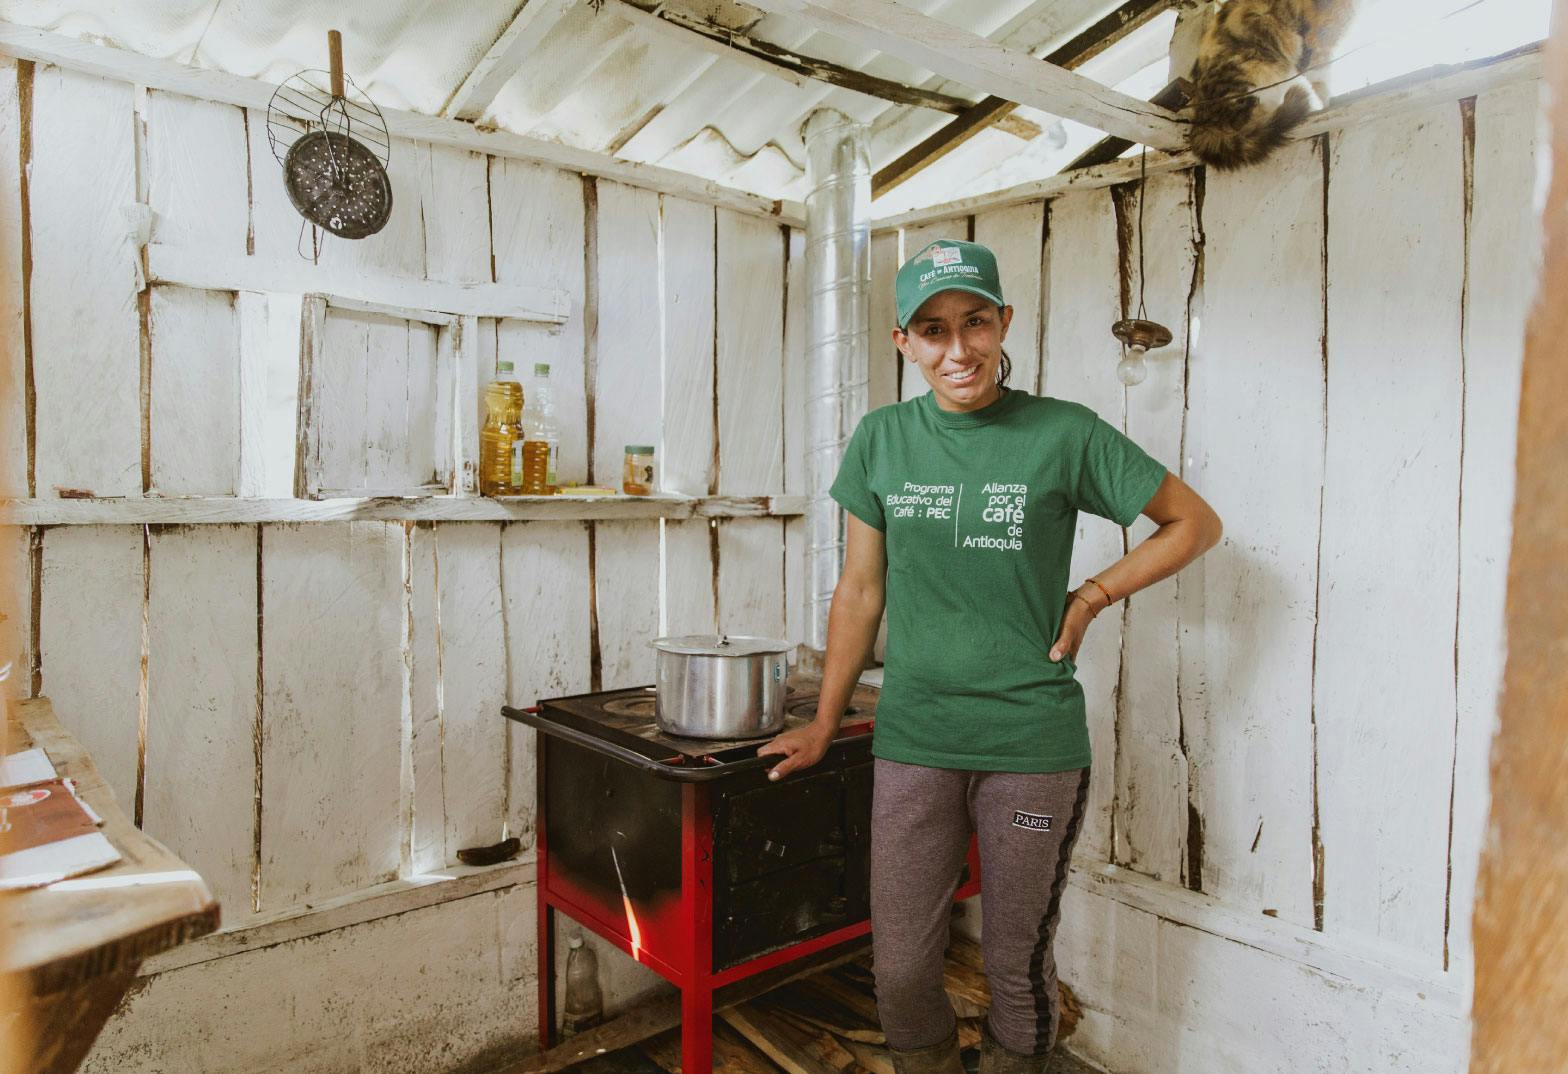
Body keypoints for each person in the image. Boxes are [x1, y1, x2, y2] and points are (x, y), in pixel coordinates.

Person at [757, 239, 1222, 1074]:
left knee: (1014, 965)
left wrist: (1092, 596)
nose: (958, 349)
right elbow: (860, 589)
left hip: (1031, 745)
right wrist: (824, 723)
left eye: (974, 322)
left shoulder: (1062, 433)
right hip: (915, 738)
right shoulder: (883, 439)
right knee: (901, 967)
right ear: (904, 342)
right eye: (932, 331)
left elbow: (1194, 522)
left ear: (1004, 321)